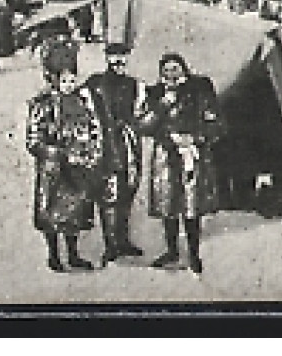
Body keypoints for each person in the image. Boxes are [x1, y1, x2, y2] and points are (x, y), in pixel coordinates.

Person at [25, 40, 106, 271]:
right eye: (64, 81)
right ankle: (53, 255)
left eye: (72, 80)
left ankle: (73, 253)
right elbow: (33, 138)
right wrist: (52, 151)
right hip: (53, 167)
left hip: (78, 165)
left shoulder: (82, 102)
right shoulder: (42, 104)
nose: (69, 85)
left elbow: (93, 129)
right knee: (51, 210)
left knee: (76, 209)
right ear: (54, 80)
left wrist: (91, 152)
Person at [138, 52, 221, 274]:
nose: (170, 74)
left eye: (175, 68)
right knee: (168, 205)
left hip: (191, 153)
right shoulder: (154, 93)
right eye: (166, 70)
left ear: (184, 69)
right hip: (165, 155)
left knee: (192, 206)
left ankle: (194, 254)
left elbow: (215, 122)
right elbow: (144, 126)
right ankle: (172, 250)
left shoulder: (200, 89)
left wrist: (195, 138)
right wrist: (161, 106)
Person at [84, 43, 147, 263]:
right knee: (108, 193)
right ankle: (110, 244)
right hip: (105, 144)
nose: (119, 62)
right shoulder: (95, 83)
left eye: (123, 57)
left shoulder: (134, 85)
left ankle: (123, 240)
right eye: (115, 57)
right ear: (108, 58)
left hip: (128, 143)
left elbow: (142, 109)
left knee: (128, 190)